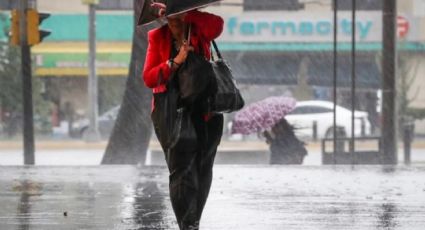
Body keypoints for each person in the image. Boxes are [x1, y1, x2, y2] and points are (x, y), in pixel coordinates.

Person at [142, 3, 224, 230]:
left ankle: (194, 219)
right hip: (170, 111)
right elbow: (149, 78)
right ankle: (186, 225)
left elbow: (217, 26)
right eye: (170, 19)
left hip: (206, 111)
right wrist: (175, 62)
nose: (175, 24)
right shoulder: (157, 37)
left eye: (178, 19)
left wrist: (188, 13)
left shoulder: (199, 29)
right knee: (180, 171)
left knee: (203, 168)